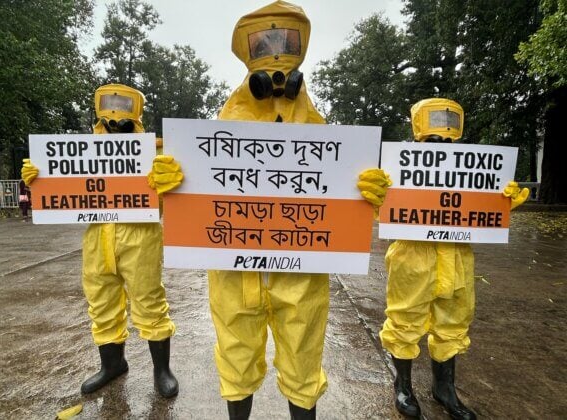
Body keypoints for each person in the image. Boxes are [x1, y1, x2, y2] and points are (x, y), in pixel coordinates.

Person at [208, 2, 387, 419]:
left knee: (303, 358)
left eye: (283, 41)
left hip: (301, 271)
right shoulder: (218, 131)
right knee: (235, 356)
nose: (274, 53)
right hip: (235, 272)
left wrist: (367, 195)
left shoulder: (321, 134)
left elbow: (340, 204)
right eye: (263, 42)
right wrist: (169, 185)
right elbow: (195, 202)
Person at [357, 98, 530, 419]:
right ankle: (403, 386)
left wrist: (500, 204)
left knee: (454, 322)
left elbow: (479, 206)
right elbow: (382, 208)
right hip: (412, 257)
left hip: (458, 258)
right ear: (418, 126)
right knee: (404, 320)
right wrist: (374, 193)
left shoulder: (470, 168)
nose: (443, 138)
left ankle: (444, 389)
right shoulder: (399, 167)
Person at [21, 83, 183, 398]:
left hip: (140, 235)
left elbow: (175, 196)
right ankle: (113, 365)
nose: (115, 114)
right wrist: (40, 179)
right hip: (97, 236)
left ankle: (162, 370)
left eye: (123, 106)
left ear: (136, 112)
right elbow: (65, 188)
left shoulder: (156, 152)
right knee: (101, 300)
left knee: (149, 300)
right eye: (108, 105)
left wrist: (171, 180)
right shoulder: (82, 152)